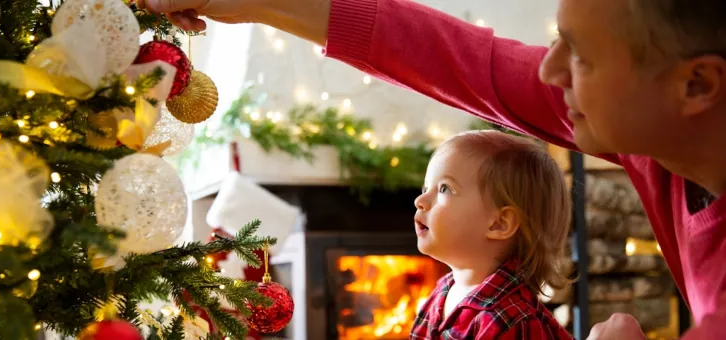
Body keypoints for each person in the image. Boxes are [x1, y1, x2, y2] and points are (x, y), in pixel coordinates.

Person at [137, 0, 726, 338]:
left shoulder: (507, 317)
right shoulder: (658, 137)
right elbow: (463, 60)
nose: (549, 73)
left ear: (696, 85)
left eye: (583, 56)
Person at [411, 130, 573, 339]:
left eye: (444, 188)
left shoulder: (511, 320)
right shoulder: (443, 292)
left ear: (499, 223)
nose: (420, 200)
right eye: (425, 188)